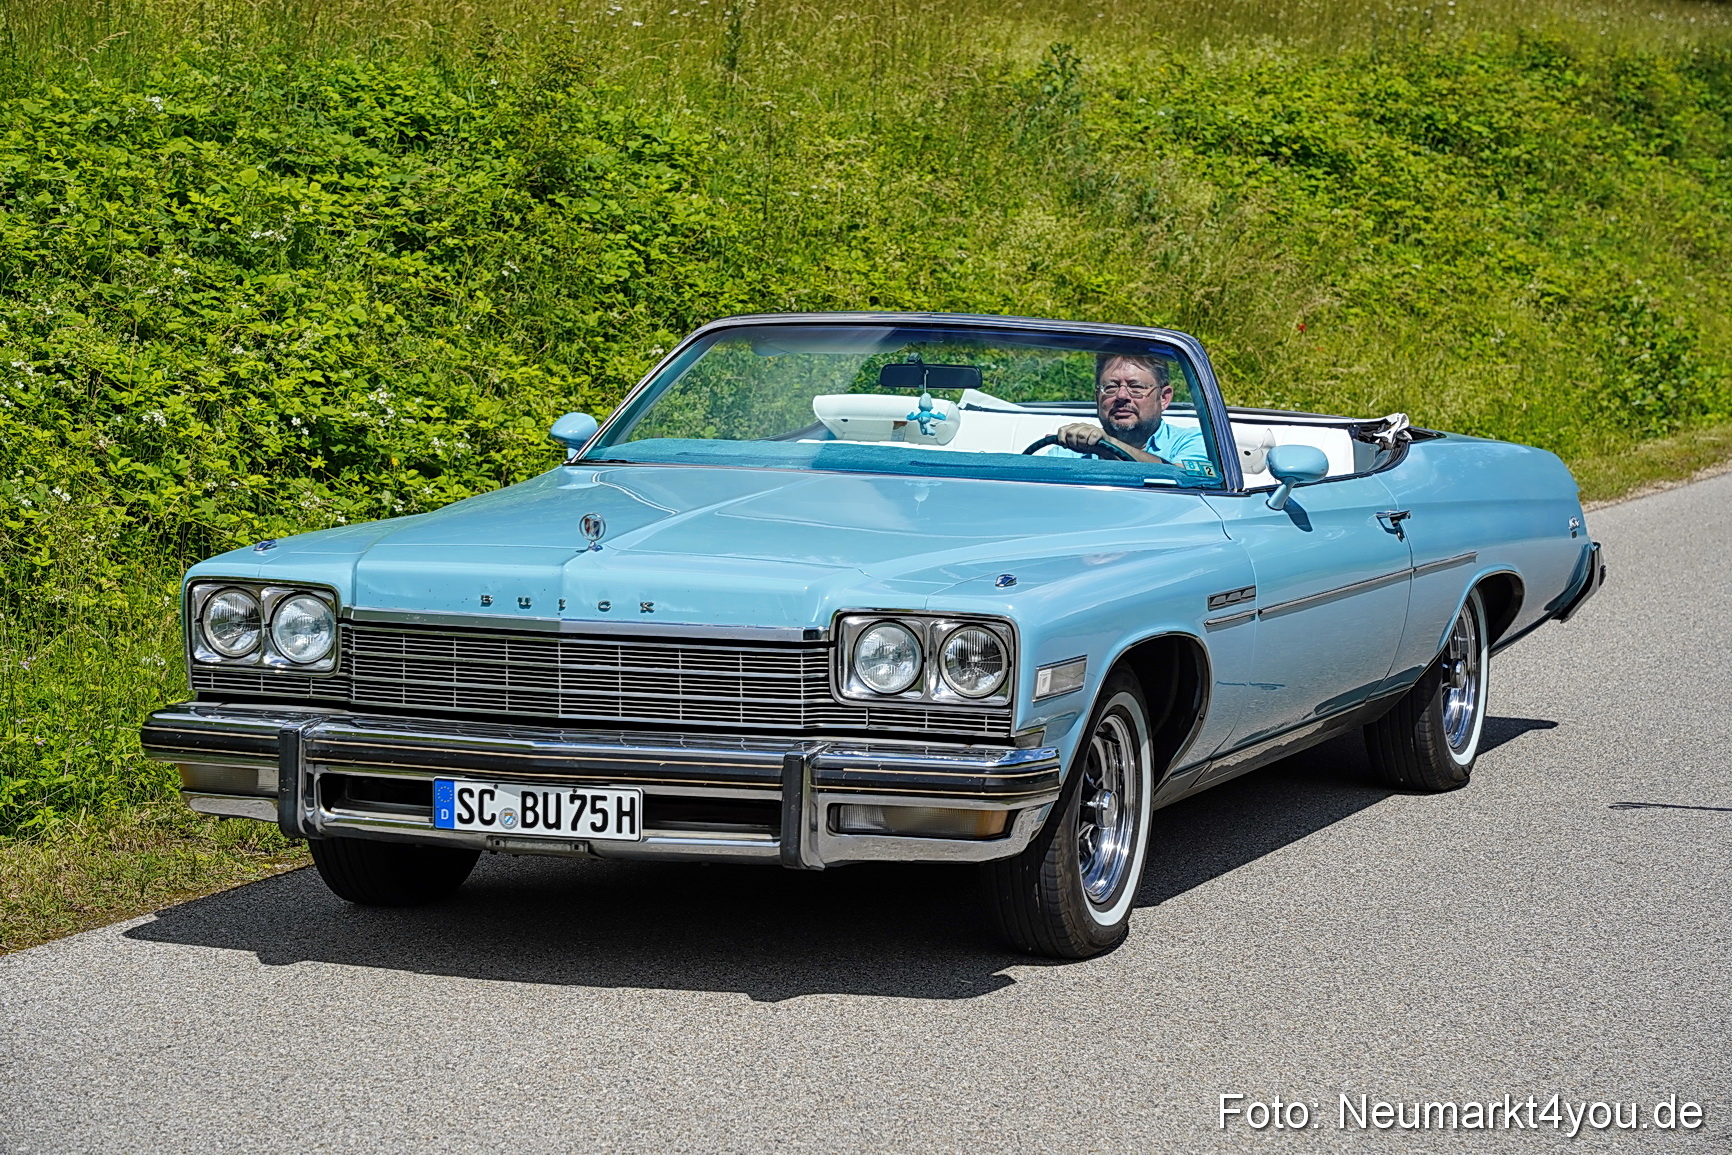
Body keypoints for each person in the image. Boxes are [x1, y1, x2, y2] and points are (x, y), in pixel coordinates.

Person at [1048, 353, 1211, 468]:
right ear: (1097, 397)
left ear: (1163, 398)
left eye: (1136, 386)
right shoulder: (1068, 451)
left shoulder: (1192, 442)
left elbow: (1187, 480)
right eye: (1110, 387)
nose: (1122, 395)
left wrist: (1107, 446)